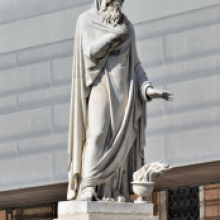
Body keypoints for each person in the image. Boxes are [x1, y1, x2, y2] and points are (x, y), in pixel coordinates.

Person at [67, 0, 173, 202]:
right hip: (101, 84)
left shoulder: (127, 26)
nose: (115, 2)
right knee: (97, 133)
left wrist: (148, 89)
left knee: (121, 140)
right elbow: (90, 52)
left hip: (125, 91)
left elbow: (135, 64)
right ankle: (89, 185)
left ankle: (114, 191)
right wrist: (112, 36)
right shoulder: (86, 20)